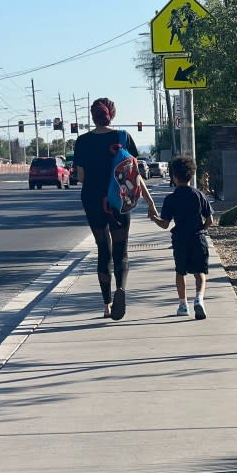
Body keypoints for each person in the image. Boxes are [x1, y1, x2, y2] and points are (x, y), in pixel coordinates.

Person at [73, 97, 157, 320]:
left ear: (93, 116)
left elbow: (80, 177)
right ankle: (121, 288)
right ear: (112, 114)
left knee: (103, 249)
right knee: (121, 249)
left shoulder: (81, 141)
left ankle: (106, 304)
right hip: (119, 202)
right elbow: (135, 175)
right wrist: (150, 203)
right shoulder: (123, 137)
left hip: (92, 200)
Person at [148, 155, 215, 320]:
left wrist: (153, 217)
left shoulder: (171, 199)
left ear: (174, 177)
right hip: (197, 237)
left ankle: (183, 305)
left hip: (180, 240)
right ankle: (199, 298)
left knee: (180, 272)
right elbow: (210, 219)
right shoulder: (199, 195)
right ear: (192, 175)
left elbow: (164, 224)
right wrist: (202, 230)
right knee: (200, 272)